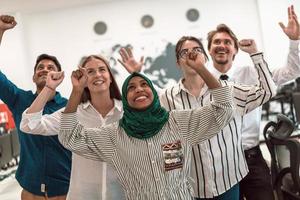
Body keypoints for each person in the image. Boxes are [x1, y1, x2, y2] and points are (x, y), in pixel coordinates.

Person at [58, 47, 235, 199]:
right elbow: (69, 137)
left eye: (144, 84)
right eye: (131, 88)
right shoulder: (114, 136)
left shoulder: (178, 122)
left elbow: (224, 108)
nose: (139, 89)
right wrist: (77, 91)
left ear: (153, 91)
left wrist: (200, 68)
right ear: (125, 99)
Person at [118, 33, 276, 199]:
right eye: (184, 52)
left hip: (228, 181)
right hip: (192, 189)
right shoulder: (167, 98)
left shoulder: (229, 90)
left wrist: (255, 54)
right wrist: (138, 75)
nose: (191, 54)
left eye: (196, 50)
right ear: (178, 62)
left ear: (205, 58)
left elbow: (268, 91)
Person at [20, 55, 126, 200]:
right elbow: (29, 125)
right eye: (90, 72)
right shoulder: (73, 113)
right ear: (84, 81)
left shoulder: (127, 113)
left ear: (110, 77)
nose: (97, 74)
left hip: (121, 194)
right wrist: (49, 87)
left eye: (102, 69)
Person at [0, 15, 71, 199]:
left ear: (59, 76)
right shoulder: (19, 99)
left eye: (50, 67)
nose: (45, 69)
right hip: (30, 190)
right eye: (40, 67)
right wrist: (0, 31)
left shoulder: (70, 106)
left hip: (64, 189)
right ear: (33, 77)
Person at [235, 5, 300, 200]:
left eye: (227, 41)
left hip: (252, 157)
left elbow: (292, 71)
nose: (222, 46)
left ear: (234, 48)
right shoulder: (204, 82)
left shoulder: (253, 74)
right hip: (220, 162)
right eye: (216, 42)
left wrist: (294, 41)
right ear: (210, 51)